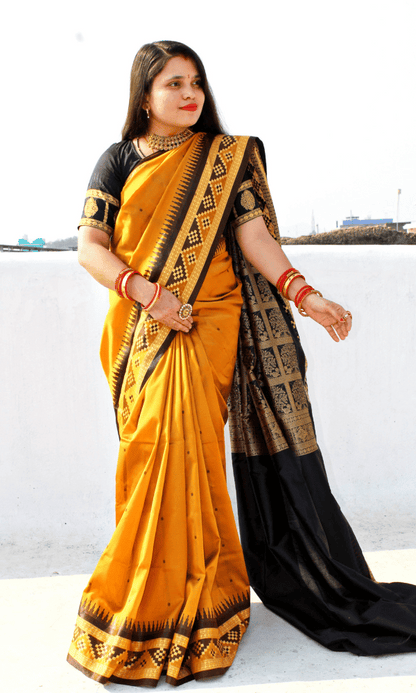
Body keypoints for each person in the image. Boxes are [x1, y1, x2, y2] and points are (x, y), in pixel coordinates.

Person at [68, 41, 416, 688]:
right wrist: (147, 294)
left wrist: (305, 294)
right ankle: (143, 595)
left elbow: (256, 238)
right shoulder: (116, 160)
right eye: (173, 83)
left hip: (209, 322)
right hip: (142, 327)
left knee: (191, 454)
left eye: (195, 81)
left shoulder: (228, 159)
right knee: (147, 452)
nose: (189, 93)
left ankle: (210, 599)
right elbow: (90, 247)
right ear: (144, 96)